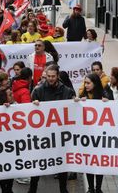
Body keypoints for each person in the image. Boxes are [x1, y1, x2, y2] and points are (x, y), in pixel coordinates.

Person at [29, 64, 75, 193]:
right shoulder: (38, 90)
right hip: (43, 135)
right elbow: (30, 111)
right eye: (48, 76)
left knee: (62, 162)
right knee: (38, 162)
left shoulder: (67, 91)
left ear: (58, 76)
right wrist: (34, 105)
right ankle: (33, 189)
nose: (50, 79)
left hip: (60, 134)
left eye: (53, 76)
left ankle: (63, 189)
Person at [76, 73, 113, 193]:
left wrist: (109, 103)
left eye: (88, 83)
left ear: (95, 83)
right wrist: (77, 102)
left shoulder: (105, 95)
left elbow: (114, 112)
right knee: (88, 163)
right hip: (87, 138)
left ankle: (98, 188)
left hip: (100, 137)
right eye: (85, 83)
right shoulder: (83, 96)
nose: (85, 85)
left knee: (99, 163)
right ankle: (91, 188)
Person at [0, 87, 15, 192]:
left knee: (12, 167)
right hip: (0, 146)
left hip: (13, 144)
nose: (13, 96)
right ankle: (4, 189)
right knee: (2, 169)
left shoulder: (15, 106)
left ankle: (9, 189)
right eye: (10, 95)